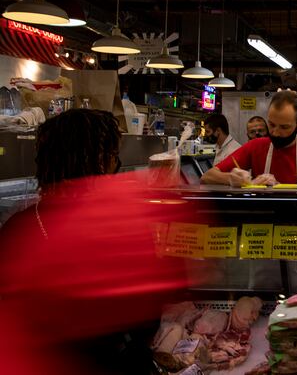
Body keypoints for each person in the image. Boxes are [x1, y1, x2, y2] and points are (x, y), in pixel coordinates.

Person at [0, 109, 194, 373]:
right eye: (114, 156)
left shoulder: (16, 229)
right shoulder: (120, 227)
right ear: (100, 161)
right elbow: (150, 316)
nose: (117, 164)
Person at [201, 91, 297, 186]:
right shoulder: (255, 147)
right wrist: (231, 179)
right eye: (272, 125)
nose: (276, 133)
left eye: (284, 127)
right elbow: (207, 177)